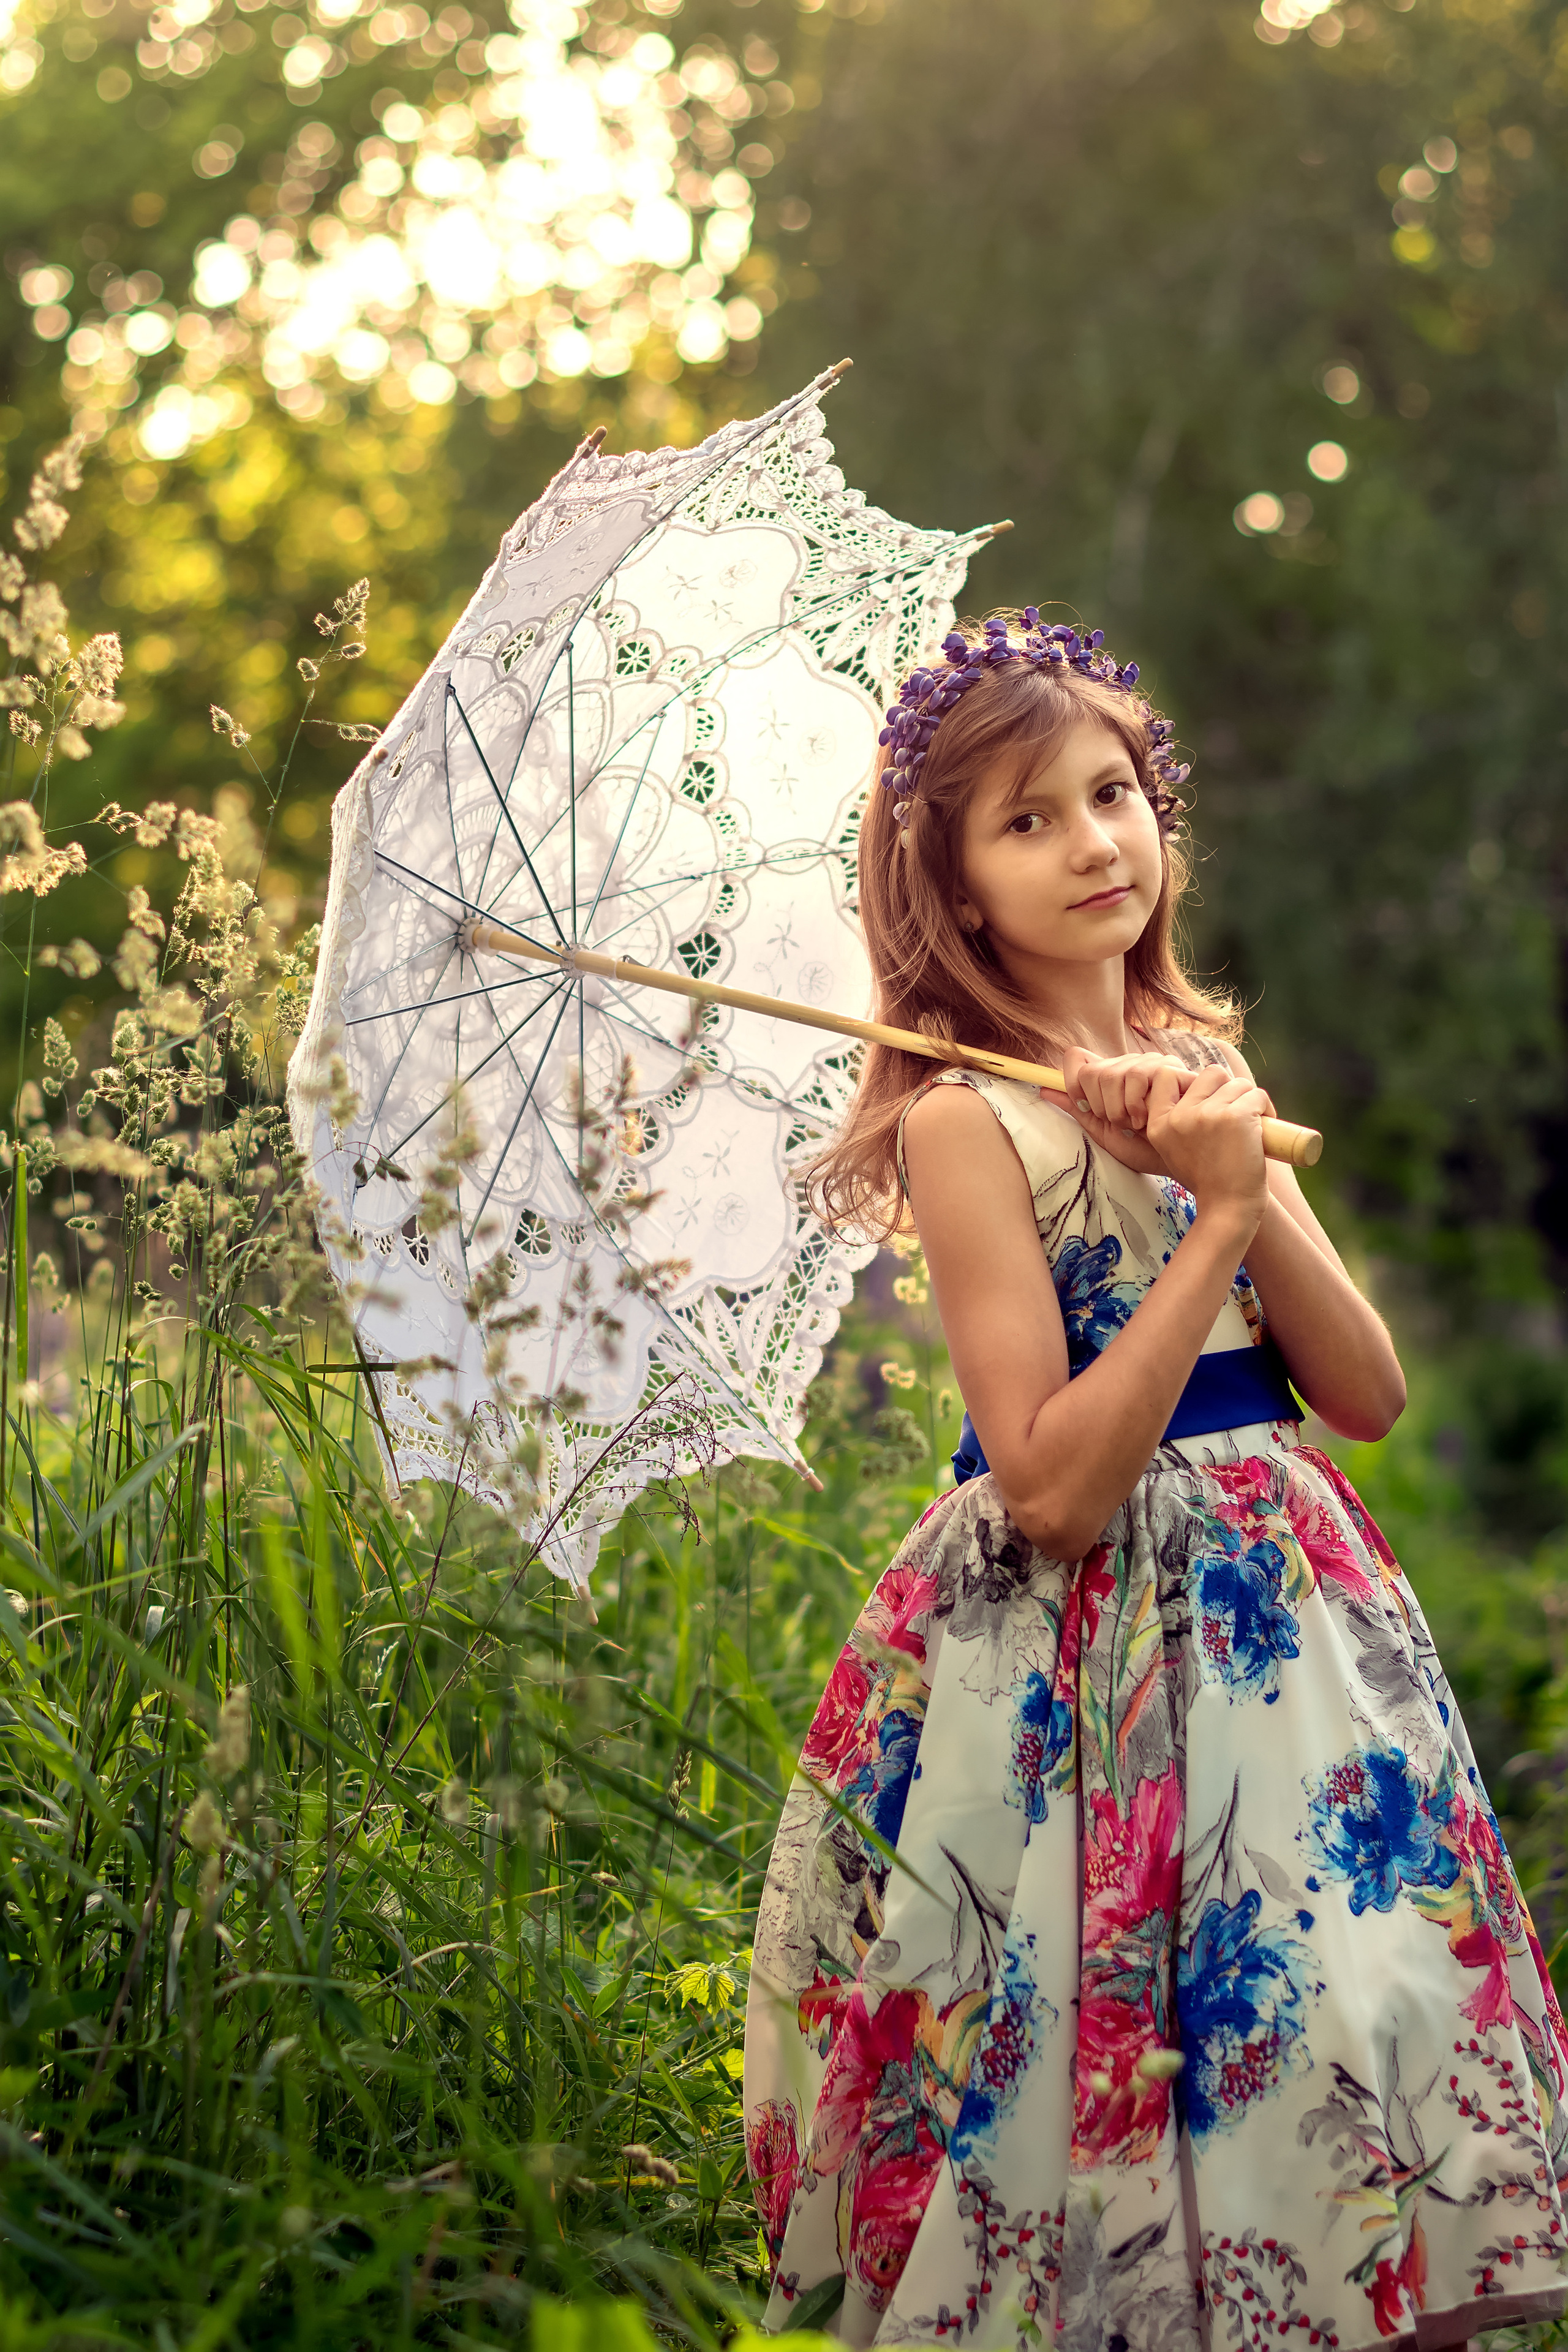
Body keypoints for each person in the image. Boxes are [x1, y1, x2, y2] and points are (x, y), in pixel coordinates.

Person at [741, 611, 1568, 2351]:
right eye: (1026, 820)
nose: (1092, 843)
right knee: (1094, 2045)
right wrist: (1206, 1237)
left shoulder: (1206, 1079)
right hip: (1087, 1664)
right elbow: (1048, 1486)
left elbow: (1367, 1392)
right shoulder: (970, 1125)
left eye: (1112, 793)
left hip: (1288, 1645)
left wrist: (1228, 1168)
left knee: (1341, 2010)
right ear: (956, 886)